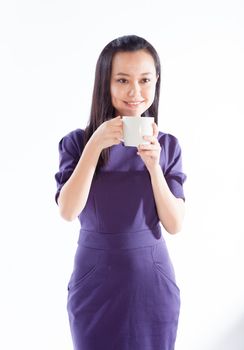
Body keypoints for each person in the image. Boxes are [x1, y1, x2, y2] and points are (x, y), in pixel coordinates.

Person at [54, 34, 186, 350]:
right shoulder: (75, 143)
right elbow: (68, 211)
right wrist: (95, 144)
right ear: (106, 83)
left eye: (145, 80)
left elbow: (175, 224)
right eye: (123, 80)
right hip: (95, 280)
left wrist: (155, 167)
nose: (135, 92)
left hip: (152, 283)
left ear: (156, 83)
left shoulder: (167, 146)